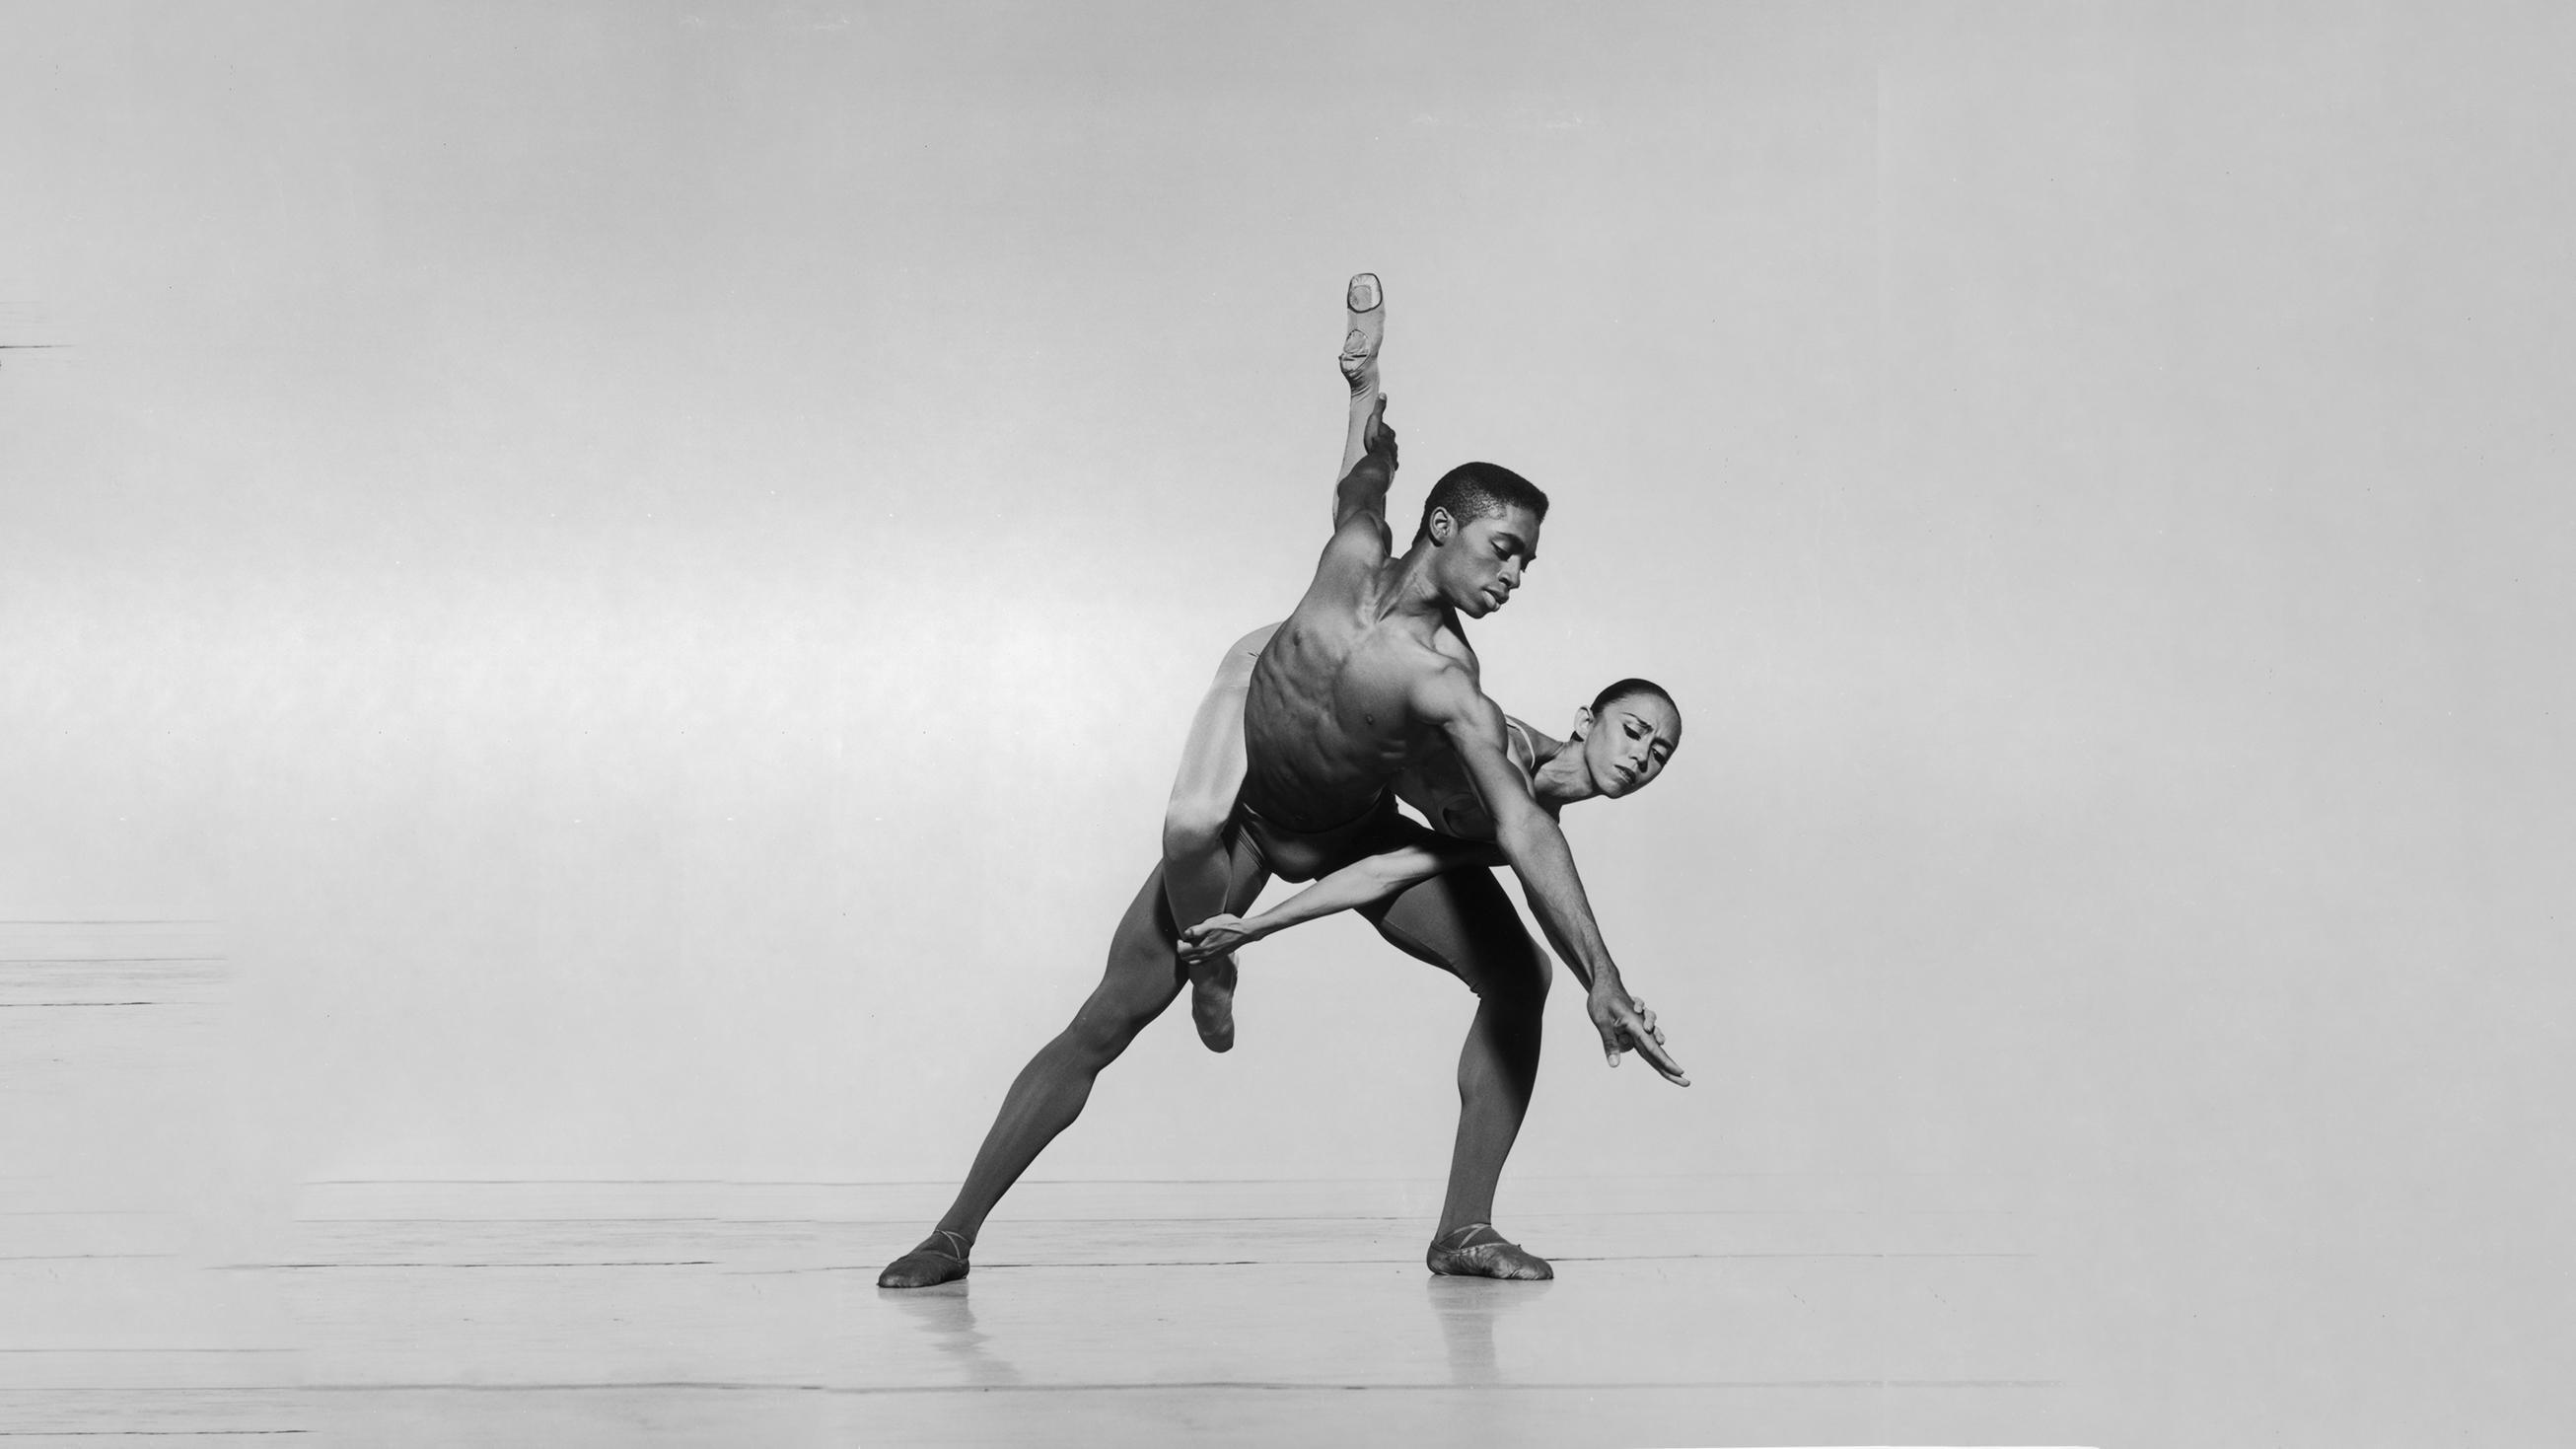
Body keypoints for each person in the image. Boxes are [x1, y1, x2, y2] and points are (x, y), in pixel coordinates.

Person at [877, 277, 1685, 1292]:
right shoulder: (1349, 559)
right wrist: (1363, 383)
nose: (1516, 575)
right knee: (1108, 1016)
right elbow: (1360, 484)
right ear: (1442, 525)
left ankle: (1463, 1227)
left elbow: (1525, 826)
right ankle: (951, 1233)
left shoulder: (1448, 684)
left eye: (1527, 561)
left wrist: (1599, 976)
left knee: (1517, 976)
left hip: (1350, 832)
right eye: (1504, 548)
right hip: (1247, 820)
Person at [1176, 674, 1682, 968]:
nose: (1640, 757)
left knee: (1195, 952)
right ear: (1585, 722)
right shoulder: (1502, 744)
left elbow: (1388, 870)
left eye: (1658, 754)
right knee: (1188, 850)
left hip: (1331, 816)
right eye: (1633, 731)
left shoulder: (1526, 838)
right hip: (1279, 711)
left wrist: (1257, 928)